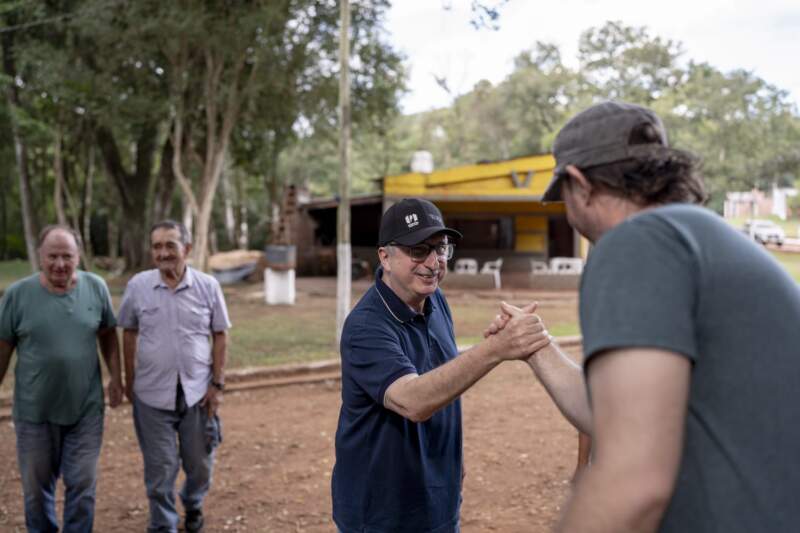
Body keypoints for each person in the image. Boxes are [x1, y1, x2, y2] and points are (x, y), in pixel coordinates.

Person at [497, 100, 800, 532]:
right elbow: (618, 414)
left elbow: (631, 480)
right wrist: (538, 347)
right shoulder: (701, 238)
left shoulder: (637, 242)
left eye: (563, 195)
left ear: (580, 184)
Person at [331, 198, 554, 533]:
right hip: (382, 511)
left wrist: (453, 457)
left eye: (441, 248)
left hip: (438, 498)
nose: (434, 262)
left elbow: (443, 380)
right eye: (419, 250)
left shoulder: (435, 300)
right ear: (384, 257)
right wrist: (496, 349)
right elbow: (413, 400)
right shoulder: (366, 326)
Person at [0, 225, 122, 532]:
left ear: (78, 256)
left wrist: (116, 378)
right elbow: (3, 347)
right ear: (40, 256)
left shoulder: (96, 288)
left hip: (85, 410)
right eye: (52, 256)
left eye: (67, 256)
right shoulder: (17, 295)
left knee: (82, 485)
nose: (59, 264)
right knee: (36, 490)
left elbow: (108, 334)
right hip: (34, 412)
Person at [118, 220, 230, 533]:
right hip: (151, 395)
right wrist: (129, 381)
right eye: (157, 246)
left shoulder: (208, 286)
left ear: (187, 249)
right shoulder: (138, 285)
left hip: (198, 394)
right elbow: (128, 331)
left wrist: (217, 384)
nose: (163, 252)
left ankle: (193, 503)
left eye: (170, 245)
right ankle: (163, 524)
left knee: (199, 464)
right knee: (160, 468)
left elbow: (220, 334)